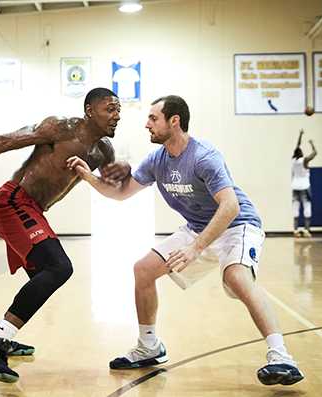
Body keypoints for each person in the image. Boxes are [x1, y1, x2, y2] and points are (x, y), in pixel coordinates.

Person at [67, 95, 304, 387]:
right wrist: (88, 177)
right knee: (143, 270)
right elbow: (121, 192)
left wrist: (196, 247)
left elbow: (230, 206)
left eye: (153, 118)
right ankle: (149, 346)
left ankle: (281, 357)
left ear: (173, 121)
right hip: (197, 228)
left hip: (236, 225)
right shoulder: (157, 160)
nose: (146, 124)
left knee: (237, 278)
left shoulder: (204, 156)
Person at [0, 88, 127, 383]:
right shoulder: (60, 127)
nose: (117, 116)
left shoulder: (103, 151)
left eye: (119, 110)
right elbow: (8, 141)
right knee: (58, 267)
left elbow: (113, 187)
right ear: (89, 110)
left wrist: (121, 174)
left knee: (42, 280)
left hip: (33, 210)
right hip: (12, 201)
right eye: (110, 109)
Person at [291, 130, 317, 238]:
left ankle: (295, 230)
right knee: (307, 207)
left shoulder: (293, 160)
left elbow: (297, 146)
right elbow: (315, 153)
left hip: (295, 185)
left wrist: (300, 135)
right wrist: (312, 144)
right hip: (304, 186)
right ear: (301, 153)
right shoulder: (305, 160)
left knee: (295, 207)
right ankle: (306, 229)